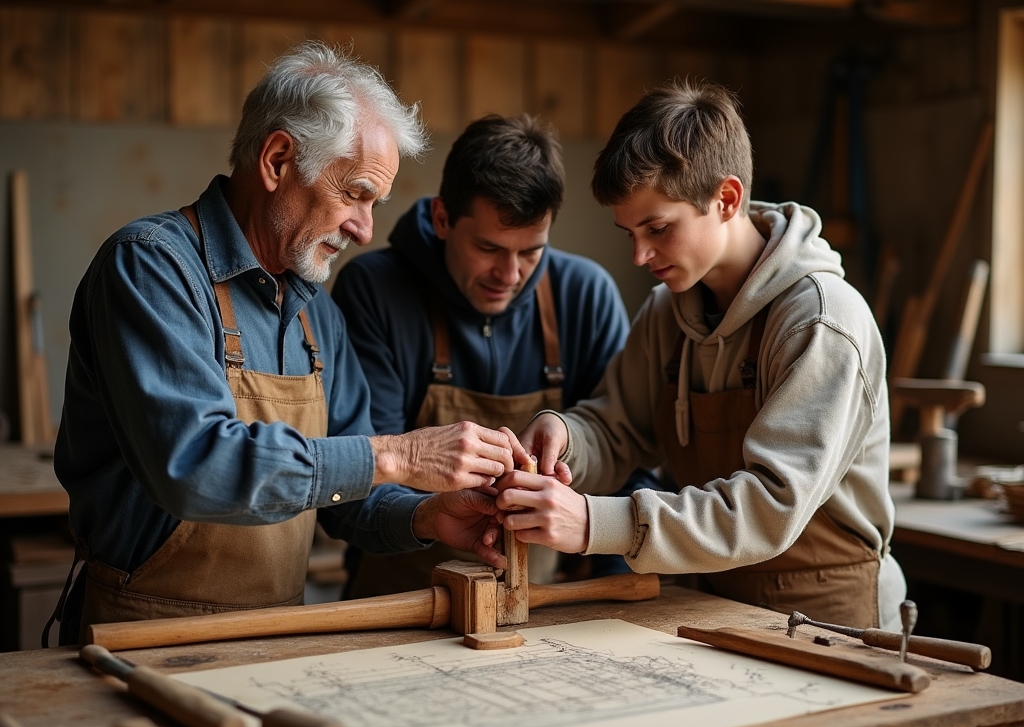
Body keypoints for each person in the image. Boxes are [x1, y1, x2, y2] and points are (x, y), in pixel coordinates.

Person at [48, 42, 525, 646]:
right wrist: (397, 456)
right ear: (277, 160)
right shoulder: (151, 268)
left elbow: (348, 501)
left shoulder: (315, 313)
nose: (365, 228)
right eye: (353, 193)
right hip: (138, 640)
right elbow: (195, 467)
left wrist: (429, 515)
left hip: (276, 637)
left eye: (374, 204)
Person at [495, 81, 907, 635]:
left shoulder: (821, 321)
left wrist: (595, 522)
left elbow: (768, 507)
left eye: (658, 229)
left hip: (827, 612)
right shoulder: (666, 312)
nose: (640, 255)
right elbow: (619, 429)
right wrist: (566, 434)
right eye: (630, 233)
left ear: (727, 199)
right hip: (710, 596)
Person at [333, 114, 656, 598]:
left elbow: (631, 469)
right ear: (442, 219)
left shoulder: (586, 296)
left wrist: (606, 595)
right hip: (395, 604)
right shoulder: (374, 291)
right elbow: (350, 488)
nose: (509, 273)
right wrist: (429, 513)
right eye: (489, 248)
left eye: (531, 252)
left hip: (543, 607)